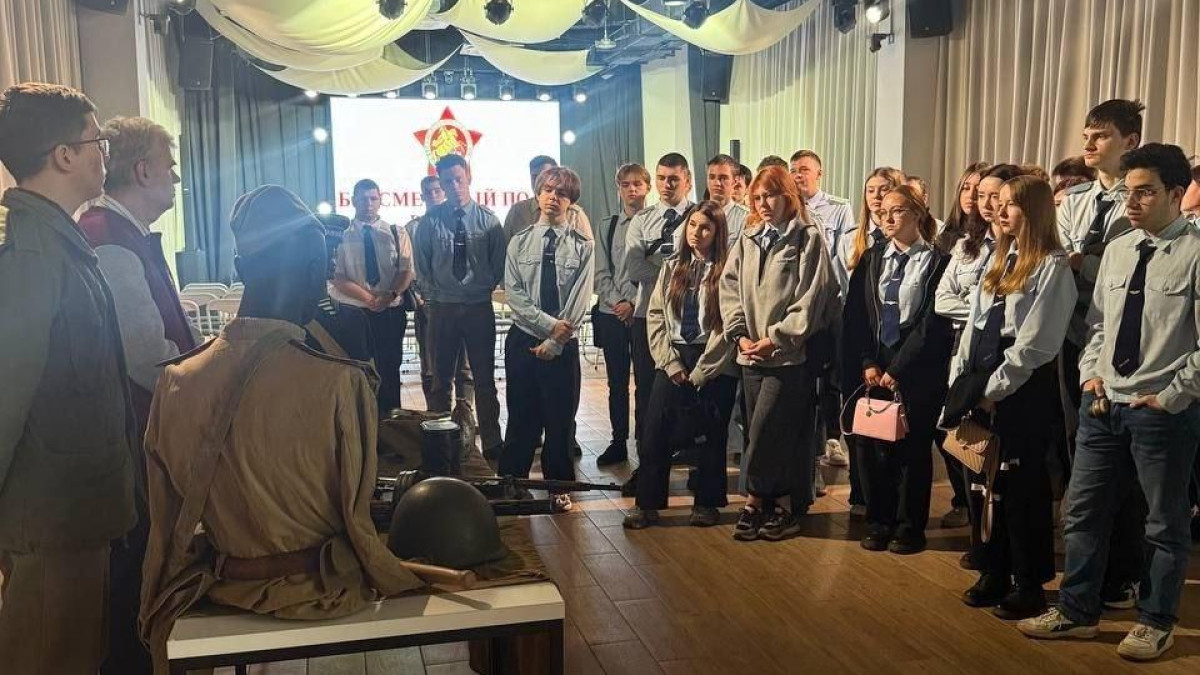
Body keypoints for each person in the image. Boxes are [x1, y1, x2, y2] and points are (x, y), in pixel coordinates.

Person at [139, 185, 423, 671]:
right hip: (322, 595)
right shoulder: (337, 381)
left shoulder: (176, 380)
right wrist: (407, 582)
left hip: (222, 586)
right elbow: (357, 522)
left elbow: (165, 522)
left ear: (240, 268)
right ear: (317, 271)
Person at [1019, 144, 1200, 662]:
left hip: (1159, 410)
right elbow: (1098, 324)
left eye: (1146, 192)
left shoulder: (1194, 252)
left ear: (1176, 193)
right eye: (1129, 192)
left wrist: (1171, 396)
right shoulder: (1119, 249)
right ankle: (1077, 610)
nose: (1132, 202)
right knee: (1083, 512)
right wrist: (1091, 374)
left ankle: (1156, 620)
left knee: (1163, 523)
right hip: (1104, 403)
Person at [0, 83, 137, 675]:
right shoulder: (31, 258)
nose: (104, 153)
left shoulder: (60, 243)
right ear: (64, 155)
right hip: (50, 522)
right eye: (97, 141)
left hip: (76, 514)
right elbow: (5, 394)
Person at [74, 116, 193, 675]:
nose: (175, 178)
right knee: (135, 580)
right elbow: (148, 360)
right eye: (169, 166)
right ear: (143, 171)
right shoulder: (109, 239)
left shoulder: (120, 233)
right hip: (134, 442)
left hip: (138, 436)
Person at [945, 175, 1076, 619]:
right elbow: (975, 324)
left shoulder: (1052, 266)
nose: (1000, 212)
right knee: (983, 481)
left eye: (1011, 205)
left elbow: (1036, 343)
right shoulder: (999, 259)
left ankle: (1028, 580)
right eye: (998, 203)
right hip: (983, 376)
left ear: (1034, 211)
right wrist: (962, 379)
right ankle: (992, 568)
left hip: (1020, 385)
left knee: (1021, 486)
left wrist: (994, 390)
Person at [1057, 99, 1146, 608]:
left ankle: (1125, 571)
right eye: (1087, 135)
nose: (1089, 144)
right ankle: (1087, 572)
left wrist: (1083, 262)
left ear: (1129, 141)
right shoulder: (1075, 200)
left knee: (1126, 464)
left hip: (1123, 342)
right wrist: (1080, 262)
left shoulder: (1140, 200)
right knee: (1083, 454)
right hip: (1074, 335)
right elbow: (1059, 258)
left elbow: (1127, 269)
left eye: (1102, 135)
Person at [721, 166, 838, 542]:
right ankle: (777, 504)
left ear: (787, 196)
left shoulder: (808, 237)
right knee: (765, 433)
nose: (763, 204)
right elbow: (729, 287)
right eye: (756, 197)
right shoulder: (748, 236)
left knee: (768, 430)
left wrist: (776, 338)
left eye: (770, 195)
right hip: (750, 354)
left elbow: (812, 297)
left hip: (787, 356)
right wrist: (739, 334)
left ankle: (758, 499)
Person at [843, 185, 952, 555]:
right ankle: (879, 521)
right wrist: (867, 361)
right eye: (883, 211)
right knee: (874, 448)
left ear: (918, 214)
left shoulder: (937, 262)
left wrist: (900, 367)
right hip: (876, 364)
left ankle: (909, 527)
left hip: (916, 367)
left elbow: (932, 321)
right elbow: (857, 315)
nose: (887, 218)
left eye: (898, 211)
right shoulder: (873, 258)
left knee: (912, 449)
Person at [624, 201, 738, 529]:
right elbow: (656, 315)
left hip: (712, 358)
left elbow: (727, 324)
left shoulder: (727, 270)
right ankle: (647, 503)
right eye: (692, 225)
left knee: (711, 434)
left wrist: (703, 370)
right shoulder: (673, 266)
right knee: (655, 432)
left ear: (717, 232)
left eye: (705, 227)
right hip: (674, 356)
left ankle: (706, 503)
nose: (696, 233)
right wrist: (669, 362)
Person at [934, 163, 1023, 547]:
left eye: (995, 196)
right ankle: (978, 534)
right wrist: (979, 310)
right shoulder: (966, 245)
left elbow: (1012, 314)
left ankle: (999, 542)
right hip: (964, 349)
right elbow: (942, 300)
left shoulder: (1025, 251)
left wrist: (978, 309)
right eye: (980, 195)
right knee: (963, 441)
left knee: (1001, 453)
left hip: (1005, 356)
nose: (985, 203)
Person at [497, 168, 594, 511]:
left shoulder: (583, 246)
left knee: (560, 420)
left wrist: (556, 341)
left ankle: (558, 486)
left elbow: (580, 298)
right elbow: (514, 294)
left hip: (562, 347)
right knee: (521, 417)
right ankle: (512, 483)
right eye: (548, 190)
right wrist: (549, 326)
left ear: (571, 201)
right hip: (523, 340)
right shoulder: (519, 241)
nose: (554, 197)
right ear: (538, 194)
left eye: (562, 193)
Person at [413, 154, 507, 458]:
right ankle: (440, 442)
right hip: (443, 309)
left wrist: (479, 289)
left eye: (458, 179)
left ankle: (491, 442)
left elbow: (498, 265)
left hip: (479, 308)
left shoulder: (488, 220)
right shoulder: (429, 222)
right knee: (440, 381)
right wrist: (435, 298)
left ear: (468, 177)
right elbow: (422, 267)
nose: (454, 186)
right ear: (440, 183)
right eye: (447, 181)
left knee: (484, 379)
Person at [840, 165, 906, 516]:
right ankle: (860, 493)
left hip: (891, 347)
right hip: (856, 339)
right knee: (859, 419)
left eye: (885, 189)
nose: (877, 196)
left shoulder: (916, 246)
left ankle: (890, 501)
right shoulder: (854, 237)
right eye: (871, 190)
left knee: (891, 423)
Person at [626, 152, 696, 472]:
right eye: (661, 178)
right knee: (647, 393)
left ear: (687, 181)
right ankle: (647, 464)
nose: (666, 185)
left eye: (674, 179)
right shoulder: (642, 220)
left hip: (690, 319)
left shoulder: (700, 216)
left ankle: (692, 460)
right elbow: (635, 266)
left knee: (691, 393)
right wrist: (675, 280)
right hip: (648, 317)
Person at [789, 149, 857, 473]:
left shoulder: (839, 208)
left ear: (820, 173)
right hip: (798, 303)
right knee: (804, 370)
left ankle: (832, 437)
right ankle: (807, 441)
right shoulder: (788, 208)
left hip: (830, 302)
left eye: (804, 169)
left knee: (832, 373)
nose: (798, 175)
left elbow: (844, 257)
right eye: (794, 170)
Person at [329, 178, 414, 415]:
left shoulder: (397, 232)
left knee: (389, 370)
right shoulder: (340, 235)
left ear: (380, 201)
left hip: (390, 312)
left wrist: (389, 295)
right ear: (353, 200)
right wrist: (369, 299)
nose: (368, 203)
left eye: (373, 198)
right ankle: (360, 423)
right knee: (356, 370)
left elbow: (406, 270)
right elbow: (336, 276)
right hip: (354, 313)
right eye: (363, 198)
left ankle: (391, 424)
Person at [593, 163, 649, 466]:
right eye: (626, 185)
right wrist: (619, 303)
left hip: (644, 314)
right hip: (612, 314)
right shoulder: (608, 225)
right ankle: (618, 441)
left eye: (637, 184)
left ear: (647, 187)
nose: (632, 190)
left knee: (645, 383)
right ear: (618, 189)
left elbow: (659, 273)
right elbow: (601, 273)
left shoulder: (657, 223)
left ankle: (645, 442)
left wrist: (634, 304)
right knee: (616, 383)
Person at [407, 175, 474, 415]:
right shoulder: (412, 228)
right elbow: (409, 268)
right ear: (422, 196)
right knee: (431, 368)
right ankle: (436, 416)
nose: (434, 195)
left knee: (464, 367)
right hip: (429, 307)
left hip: (462, 304)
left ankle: (465, 416)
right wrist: (421, 299)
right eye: (429, 192)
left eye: (437, 190)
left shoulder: (462, 222)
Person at [502, 154, 592, 241]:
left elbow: (588, 247)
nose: (538, 181)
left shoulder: (575, 215)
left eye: (543, 176)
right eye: (534, 177)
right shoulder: (517, 212)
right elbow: (505, 247)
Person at [704, 153, 750, 244]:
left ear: (734, 181)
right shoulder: (695, 214)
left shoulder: (746, 218)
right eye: (712, 177)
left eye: (723, 178)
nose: (717, 183)